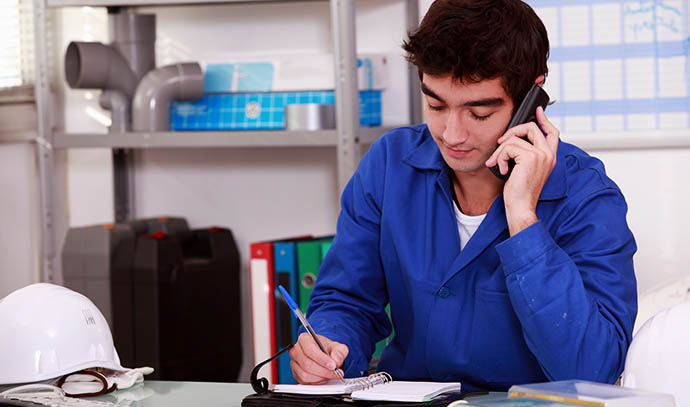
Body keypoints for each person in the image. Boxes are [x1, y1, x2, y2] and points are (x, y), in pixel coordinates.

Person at [289, 0, 637, 392]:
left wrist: (523, 219)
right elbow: (347, 301)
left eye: (479, 113)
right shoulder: (388, 166)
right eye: (436, 104)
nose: (451, 135)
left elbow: (594, 371)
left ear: (530, 99)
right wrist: (330, 347)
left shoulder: (587, 196)